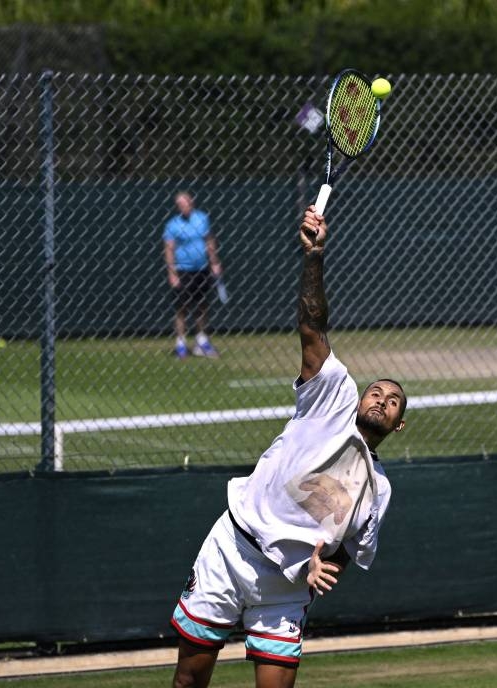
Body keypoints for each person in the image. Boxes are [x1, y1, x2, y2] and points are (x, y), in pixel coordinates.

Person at [170, 206, 408, 688]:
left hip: (286, 587)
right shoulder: (332, 393)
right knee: (188, 681)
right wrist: (314, 256)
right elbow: (312, 327)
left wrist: (325, 567)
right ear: (361, 395)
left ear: (399, 424)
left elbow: (352, 550)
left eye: (394, 401)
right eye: (377, 392)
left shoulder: (377, 490)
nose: (381, 400)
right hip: (232, 548)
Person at [163, 191, 223, 359]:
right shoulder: (172, 224)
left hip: (202, 269)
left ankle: (201, 342)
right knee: (182, 308)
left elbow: (209, 241)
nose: (183, 207)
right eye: (180, 205)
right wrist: (172, 273)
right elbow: (169, 249)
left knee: (202, 305)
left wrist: (215, 263)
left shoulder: (202, 218)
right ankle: (181, 344)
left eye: (185, 203)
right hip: (182, 270)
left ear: (192, 202)